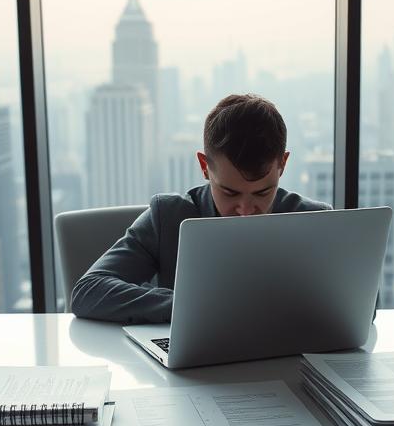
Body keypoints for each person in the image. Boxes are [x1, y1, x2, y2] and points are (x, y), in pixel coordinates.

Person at [70, 93, 331, 324]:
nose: (245, 210)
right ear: (204, 166)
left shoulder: (316, 221)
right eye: (229, 192)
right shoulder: (168, 216)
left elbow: (360, 309)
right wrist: (193, 306)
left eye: (263, 192)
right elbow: (88, 291)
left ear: (282, 164)